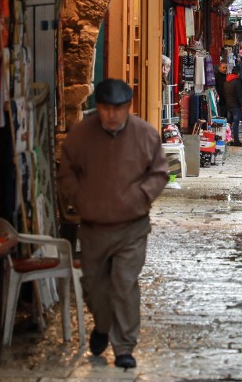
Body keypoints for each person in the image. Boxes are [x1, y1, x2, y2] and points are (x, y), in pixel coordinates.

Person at [57, 79, 169, 370]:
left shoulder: (144, 135)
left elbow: (159, 173)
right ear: (100, 108)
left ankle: (123, 346)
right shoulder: (81, 135)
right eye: (106, 108)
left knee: (123, 284)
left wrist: (140, 197)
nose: (111, 115)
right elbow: (66, 170)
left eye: (117, 109)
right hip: (94, 227)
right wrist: (79, 197)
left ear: (127, 107)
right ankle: (103, 326)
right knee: (95, 286)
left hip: (132, 227)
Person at [222, 63, 242, 146]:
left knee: (229, 123)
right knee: (235, 124)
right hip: (235, 106)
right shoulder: (236, 81)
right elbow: (239, 95)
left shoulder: (226, 81)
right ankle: (236, 140)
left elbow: (225, 94)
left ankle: (229, 139)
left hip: (228, 105)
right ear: (238, 73)